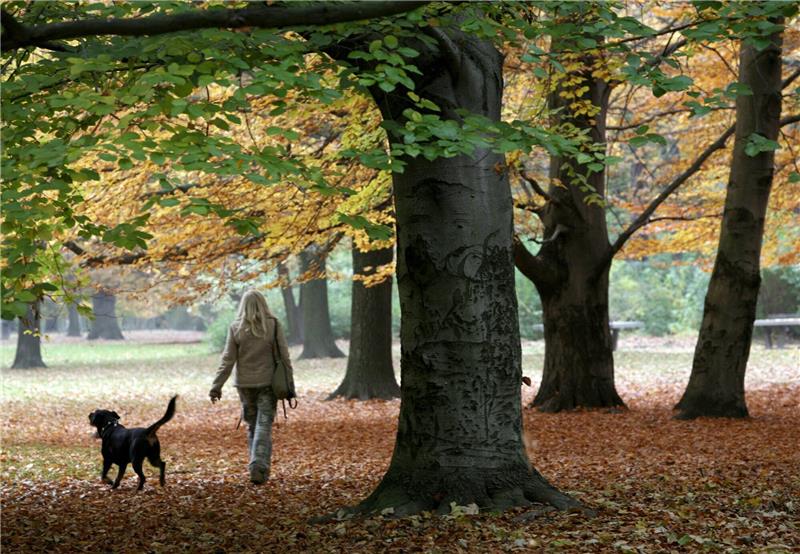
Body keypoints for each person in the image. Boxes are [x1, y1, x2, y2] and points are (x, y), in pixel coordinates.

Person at [209, 289, 294, 484]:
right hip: (267, 384)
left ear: (243, 306)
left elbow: (227, 360)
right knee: (264, 425)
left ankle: (257, 468)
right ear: (263, 304)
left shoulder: (236, 327)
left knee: (252, 427)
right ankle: (259, 464)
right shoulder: (273, 325)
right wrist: (289, 385)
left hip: (244, 386)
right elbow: (285, 356)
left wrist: (217, 386)